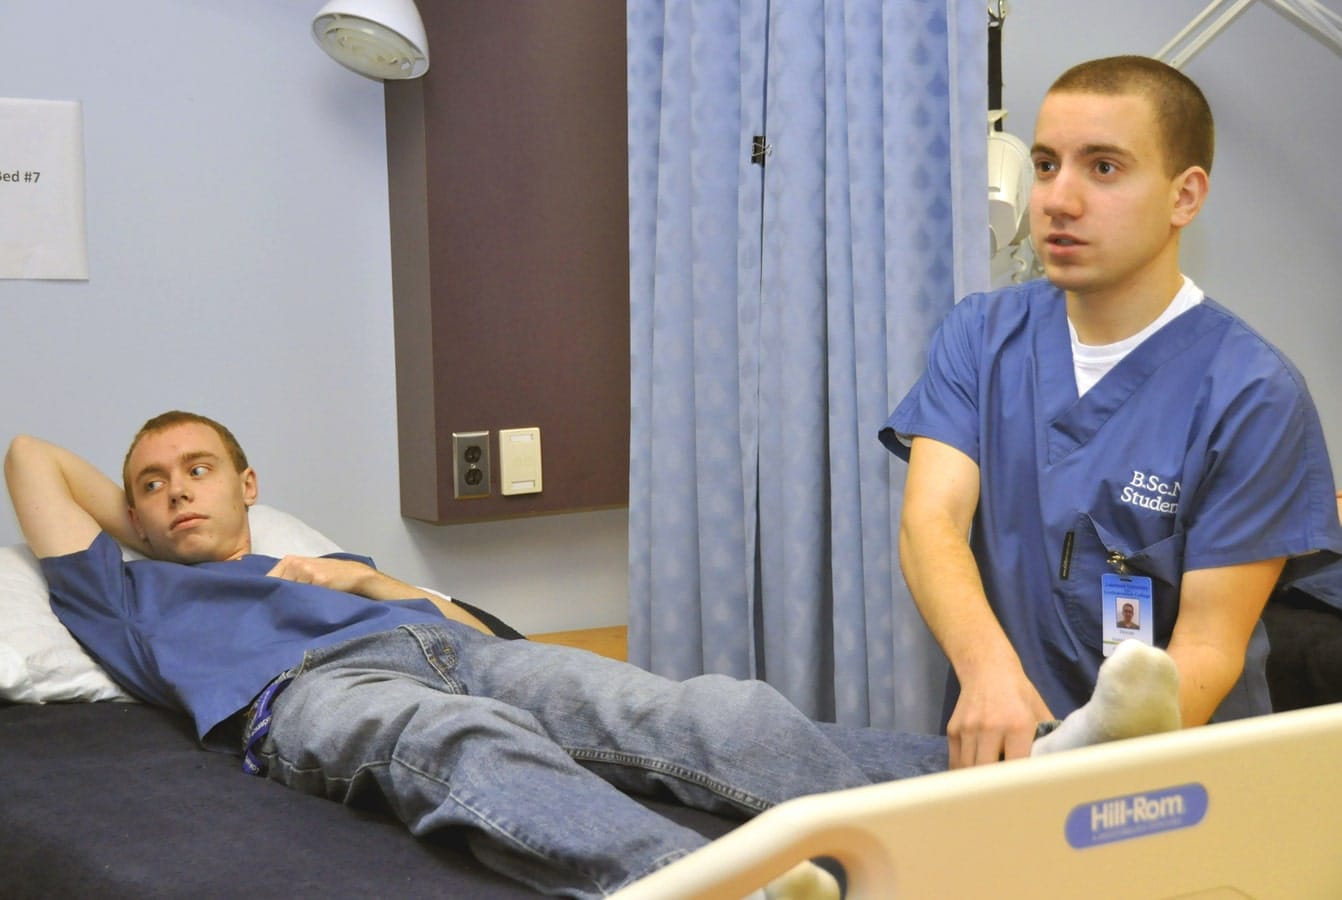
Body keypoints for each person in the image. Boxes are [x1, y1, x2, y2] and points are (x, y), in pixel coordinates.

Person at [7, 411, 1183, 898]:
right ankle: (704, 883)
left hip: (429, 635)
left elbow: (468, 630)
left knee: (686, 714)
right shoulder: (124, 595)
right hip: (313, 695)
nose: (175, 492)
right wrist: (157, 534)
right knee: (451, 748)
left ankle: (1037, 771)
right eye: (153, 483)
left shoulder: (326, 562)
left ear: (252, 485)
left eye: (199, 471)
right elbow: (28, 456)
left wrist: (371, 579)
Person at [882, 55, 1342, 771]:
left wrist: (1078, 770)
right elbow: (929, 523)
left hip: (1171, 777)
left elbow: (1208, 650)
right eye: (1044, 164)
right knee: (713, 730)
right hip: (995, 759)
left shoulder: (1251, 393)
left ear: (1184, 197)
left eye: (1102, 168)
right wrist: (990, 672)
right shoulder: (982, 335)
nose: (1057, 200)